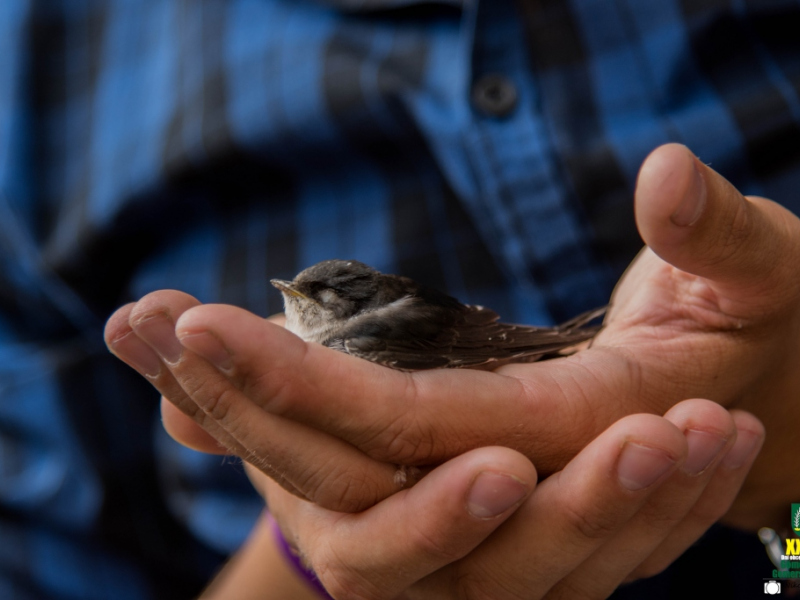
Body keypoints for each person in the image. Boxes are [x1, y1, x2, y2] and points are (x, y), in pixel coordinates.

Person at [3, 0, 799, 598]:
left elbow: (470, 342)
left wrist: (790, 503)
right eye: (299, 293)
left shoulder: (375, 328)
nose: (293, 300)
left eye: (313, 294)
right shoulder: (36, 74)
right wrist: (304, 562)